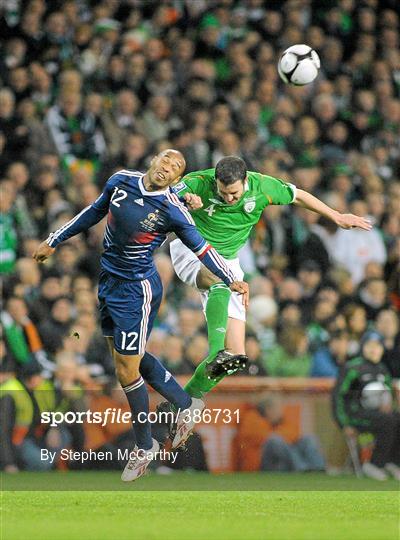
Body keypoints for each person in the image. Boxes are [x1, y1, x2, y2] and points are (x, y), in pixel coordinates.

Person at [33, 149, 249, 482]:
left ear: (177, 178)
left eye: (176, 167)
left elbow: (202, 248)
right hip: (108, 282)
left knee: (127, 368)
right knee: (124, 361)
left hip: (138, 290)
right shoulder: (121, 181)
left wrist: (230, 277)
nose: (168, 167)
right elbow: (92, 212)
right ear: (154, 160)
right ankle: (183, 402)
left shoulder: (173, 210)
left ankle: (145, 443)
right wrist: (54, 239)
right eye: (166, 159)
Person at [169, 155, 371, 399]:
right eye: (223, 192)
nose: (228, 198)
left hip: (228, 260)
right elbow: (164, 197)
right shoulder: (199, 182)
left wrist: (336, 216)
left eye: (233, 193)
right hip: (191, 249)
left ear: (245, 181)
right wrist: (184, 199)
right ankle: (214, 351)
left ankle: (184, 403)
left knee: (234, 357)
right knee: (217, 279)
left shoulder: (263, 186)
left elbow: (299, 195)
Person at [332, 331, 400, 481]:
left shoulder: (382, 370)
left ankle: (393, 462)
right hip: (356, 415)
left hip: (378, 415)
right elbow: (338, 397)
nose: (374, 350)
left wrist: (387, 405)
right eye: (370, 345)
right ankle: (374, 464)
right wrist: (344, 424)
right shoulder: (352, 368)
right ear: (363, 347)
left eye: (378, 346)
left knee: (396, 418)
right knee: (388, 421)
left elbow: (388, 394)